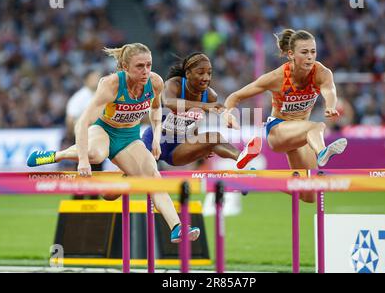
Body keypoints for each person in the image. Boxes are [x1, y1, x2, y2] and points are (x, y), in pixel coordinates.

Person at [27, 43, 199, 243]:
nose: (146, 71)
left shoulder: (155, 82)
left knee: (149, 177)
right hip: (104, 130)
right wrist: (82, 160)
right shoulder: (111, 84)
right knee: (95, 155)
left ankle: (177, 227)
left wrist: (157, 139)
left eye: (149, 65)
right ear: (125, 67)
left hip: (129, 137)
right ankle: (57, 155)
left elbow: (155, 109)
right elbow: (82, 122)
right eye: (140, 66)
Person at [223, 29, 348, 203]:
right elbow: (234, 97)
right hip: (278, 130)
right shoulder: (277, 77)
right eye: (304, 52)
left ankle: (255, 178)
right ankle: (322, 152)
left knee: (309, 194)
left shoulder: (322, 72)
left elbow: (329, 90)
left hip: (302, 134)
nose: (310, 57)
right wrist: (227, 113)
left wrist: (330, 105)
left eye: (313, 51)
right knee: (317, 126)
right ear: (291, 54)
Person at [142, 52, 261, 169]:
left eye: (209, 73)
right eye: (200, 73)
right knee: (138, 175)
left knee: (215, 137)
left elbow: (193, 124)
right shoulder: (174, 84)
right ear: (188, 73)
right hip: (154, 140)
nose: (206, 77)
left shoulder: (210, 96)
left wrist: (202, 147)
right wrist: (204, 106)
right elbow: (169, 102)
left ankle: (241, 157)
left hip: (178, 148)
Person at [64, 69, 102, 200]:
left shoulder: (102, 95)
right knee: (81, 169)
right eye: (93, 77)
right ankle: (78, 200)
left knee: (97, 170)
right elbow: (70, 119)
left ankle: (94, 200)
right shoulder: (79, 97)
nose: (97, 80)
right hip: (83, 138)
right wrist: (75, 135)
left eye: (97, 77)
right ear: (86, 80)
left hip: (98, 138)